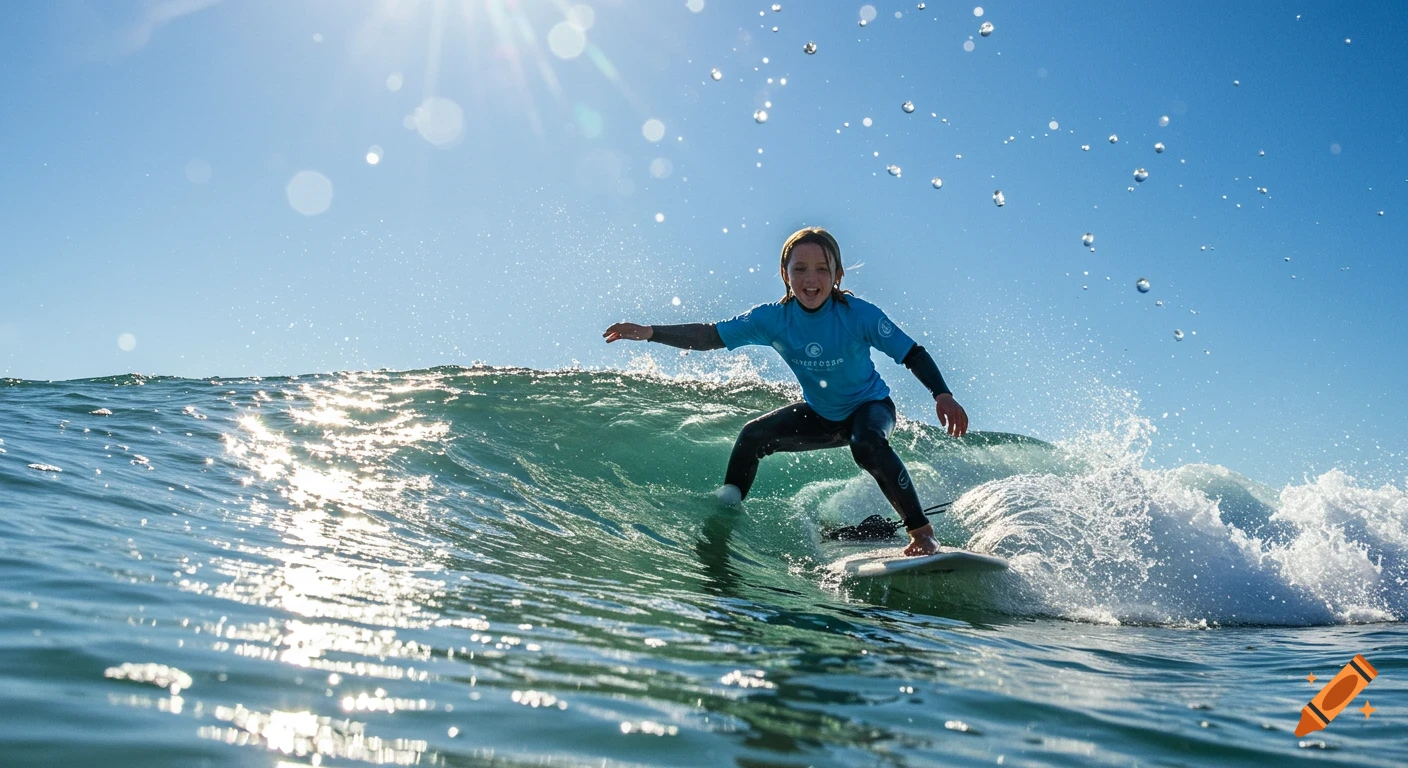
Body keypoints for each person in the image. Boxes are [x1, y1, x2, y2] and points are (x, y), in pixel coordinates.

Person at [603, 227, 968, 556]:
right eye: (800, 269)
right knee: (752, 436)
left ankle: (922, 534)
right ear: (785, 274)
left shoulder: (860, 315)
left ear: (838, 275)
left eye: (822, 269)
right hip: (822, 414)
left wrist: (942, 394)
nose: (811, 279)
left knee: (867, 443)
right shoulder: (773, 319)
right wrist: (651, 332)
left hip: (870, 407)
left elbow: (912, 353)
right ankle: (726, 509)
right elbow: (710, 336)